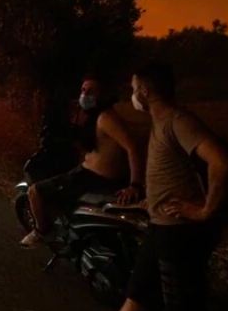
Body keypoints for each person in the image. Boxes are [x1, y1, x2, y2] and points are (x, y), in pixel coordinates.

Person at [57, 61, 228, 311]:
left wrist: (204, 210)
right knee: (138, 294)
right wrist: (149, 200)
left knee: (187, 310)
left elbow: (223, 163)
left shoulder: (179, 121)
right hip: (160, 227)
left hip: (180, 233)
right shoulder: (160, 121)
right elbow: (173, 172)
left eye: (133, 87)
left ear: (145, 89)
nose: (132, 94)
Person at [20, 75, 144, 248]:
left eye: (91, 91)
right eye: (83, 90)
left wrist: (134, 185)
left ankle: (43, 232)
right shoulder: (93, 116)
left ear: (102, 95)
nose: (85, 95)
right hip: (89, 171)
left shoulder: (105, 118)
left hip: (93, 177)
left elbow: (132, 147)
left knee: (35, 191)